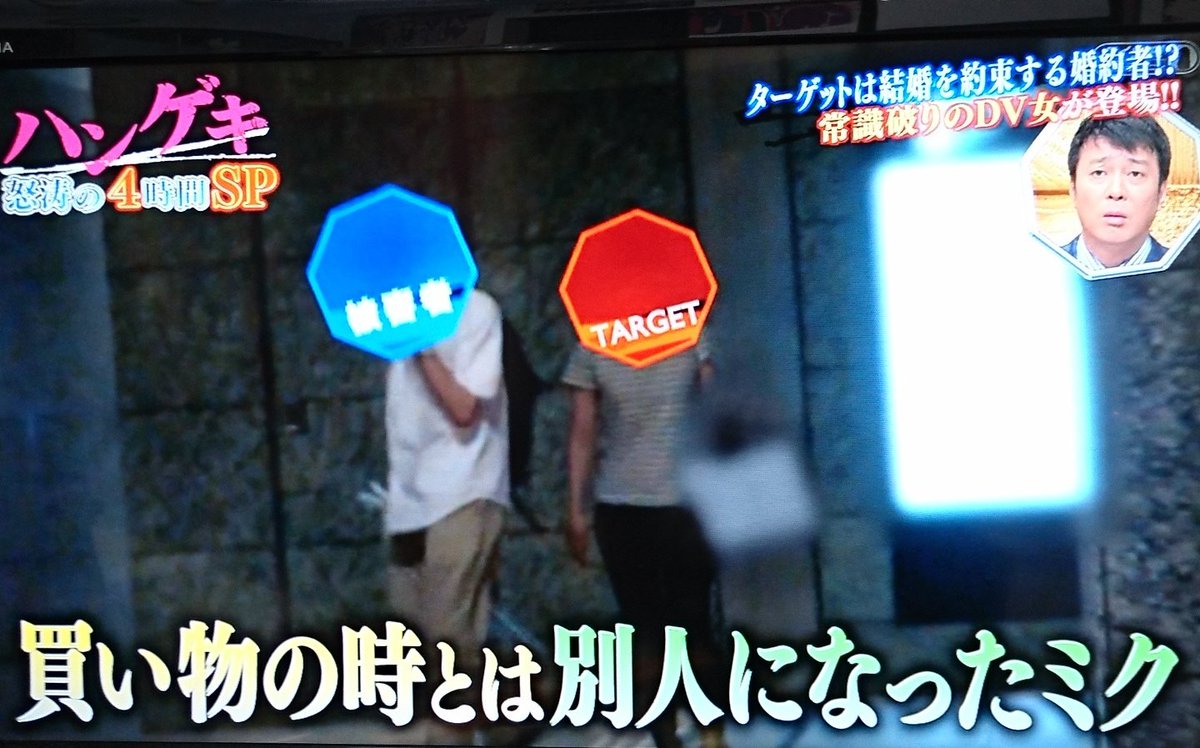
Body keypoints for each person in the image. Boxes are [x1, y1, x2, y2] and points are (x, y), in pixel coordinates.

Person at [563, 339, 724, 748]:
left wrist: (577, 509)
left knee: (665, 624)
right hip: (644, 503)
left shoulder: (602, 340)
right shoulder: (681, 331)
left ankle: (690, 731)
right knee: (673, 624)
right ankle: (693, 733)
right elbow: (583, 430)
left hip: (659, 503)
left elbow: (583, 432)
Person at [383, 287, 508, 744]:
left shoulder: (476, 310)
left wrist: (422, 347)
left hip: (464, 491)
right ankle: (491, 721)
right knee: (412, 644)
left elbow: (464, 407)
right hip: (407, 501)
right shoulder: (396, 309)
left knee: (448, 643)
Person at [1062, 115, 1172, 272]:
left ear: (1161, 192)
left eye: (1135, 174)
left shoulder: (1191, 275)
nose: (1116, 192)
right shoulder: (1037, 272)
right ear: (1073, 189)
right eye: (1099, 172)